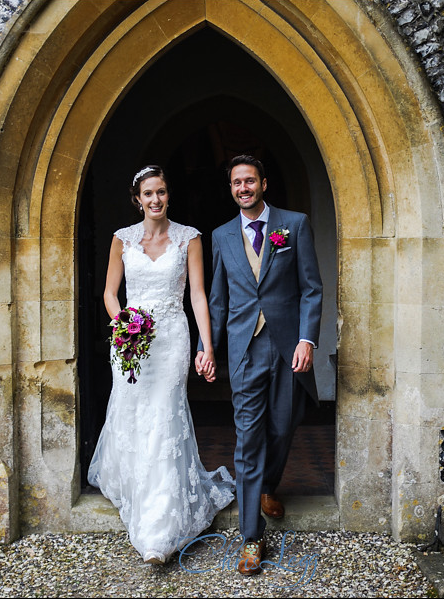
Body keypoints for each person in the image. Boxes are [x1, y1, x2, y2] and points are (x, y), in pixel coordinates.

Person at [88, 165, 235, 565]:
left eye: (162, 192)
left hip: (171, 338)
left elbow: (199, 297)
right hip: (132, 340)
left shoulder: (189, 239)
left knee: (165, 415)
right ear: (138, 199)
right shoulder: (123, 240)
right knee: (135, 412)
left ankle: (159, 526)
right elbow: (109, 293)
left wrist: (207, 346)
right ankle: (134, 488)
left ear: (169, 195)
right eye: (148, 194)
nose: (156, 200)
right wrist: (123, 326)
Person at [196, 155, 323, 576]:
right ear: (231, 188)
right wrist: (207, 348)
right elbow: (217, 301)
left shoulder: (294, 224)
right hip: (245, 349)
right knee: (248, 439)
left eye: (250, 181)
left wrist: (307, 339)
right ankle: (252, 537)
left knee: (284, 425)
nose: (243, 188)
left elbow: (310, 288)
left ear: (263, 184)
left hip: (288, 346)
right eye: (237, 183)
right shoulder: (221, 236)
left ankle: (268, 485)